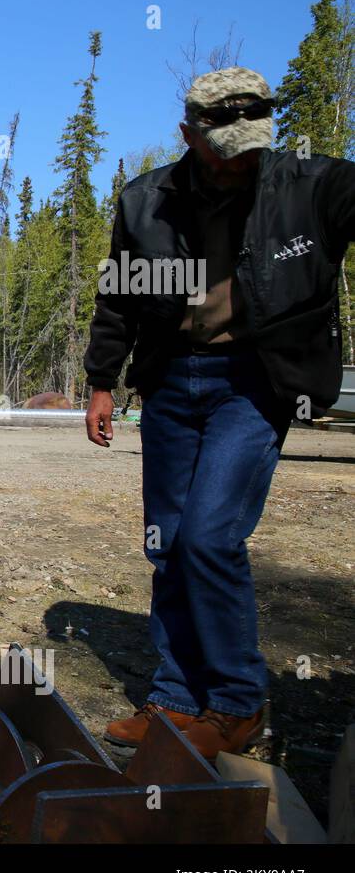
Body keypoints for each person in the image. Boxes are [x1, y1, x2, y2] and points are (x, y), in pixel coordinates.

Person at [84, 68, 355, 759]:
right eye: (222, 146)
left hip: (258, 381)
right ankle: (176, 697)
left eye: (251, 143)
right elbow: (118, 295)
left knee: (209, 536)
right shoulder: (148, 201)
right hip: (172, 380)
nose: (238, 160)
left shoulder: (310, 186)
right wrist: (100, 380)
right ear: (189, 134)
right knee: (167, 542)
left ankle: (236, 704)